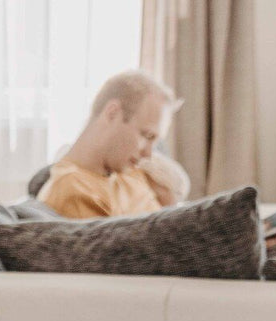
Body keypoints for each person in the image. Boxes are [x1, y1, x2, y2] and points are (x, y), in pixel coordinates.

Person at [39, 69, 188, 219]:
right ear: (112, 113)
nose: (148, 154)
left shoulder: (130, 171)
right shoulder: (73, 190)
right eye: (146, 135)